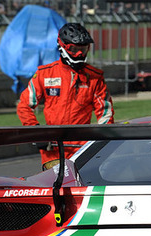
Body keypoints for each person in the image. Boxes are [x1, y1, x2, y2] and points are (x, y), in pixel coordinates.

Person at [17, 22, 114, 169]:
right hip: (52, 150)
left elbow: (106, 114)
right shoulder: (44, 73)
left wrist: (102, 138)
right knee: (55, 189)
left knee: (81, 189)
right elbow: (24, 105)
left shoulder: (95, 77)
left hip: (82, 149)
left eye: (83, 49)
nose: (80, 54)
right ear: (62, 47)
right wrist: (37, 132)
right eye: (74, 49)